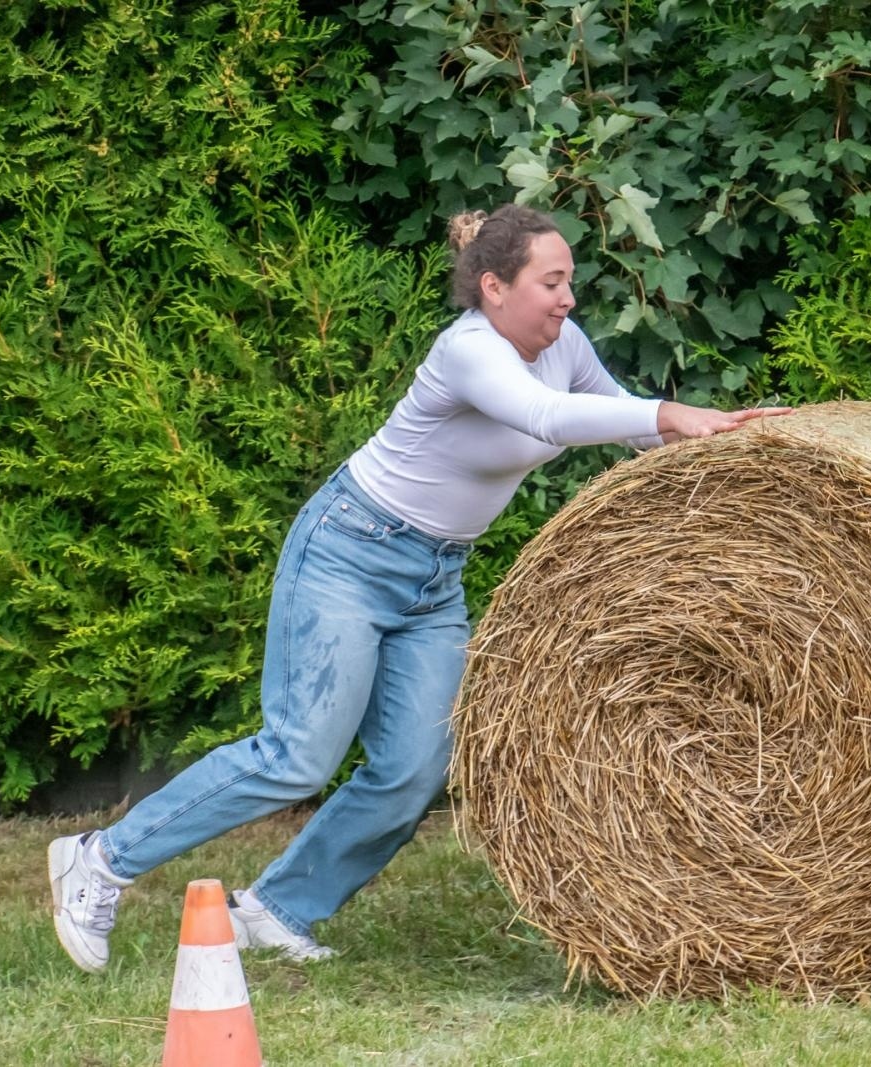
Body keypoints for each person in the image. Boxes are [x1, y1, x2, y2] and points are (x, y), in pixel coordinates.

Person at [48, 204, 791, 972]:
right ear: (496, 287)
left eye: (570, 282)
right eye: (552, 282)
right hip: (349, 551)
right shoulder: (468, 348)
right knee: (297, 755)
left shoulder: (562, 344)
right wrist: (672, 410)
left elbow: (627, 422)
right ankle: (100, 858)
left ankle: (276, 909)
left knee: (414, 767)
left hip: (435, 579)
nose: (569, 300)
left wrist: (736, 442)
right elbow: (546, 417)